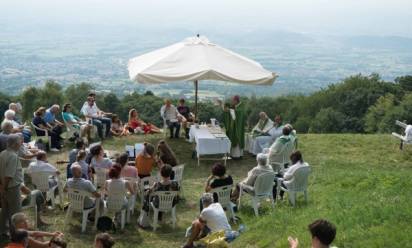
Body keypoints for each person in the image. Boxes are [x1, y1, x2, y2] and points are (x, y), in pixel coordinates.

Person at [0, 134, 24, 236]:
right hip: (11, 187)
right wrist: (4, 188)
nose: (20, 144)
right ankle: (16, 234)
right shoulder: (13, 156)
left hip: (4, 186)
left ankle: (3, 230)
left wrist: (1, 187)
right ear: (15, 144)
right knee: (15, 212)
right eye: (19, 142)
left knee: (5, 210)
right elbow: (9, 175)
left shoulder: (2, 153)